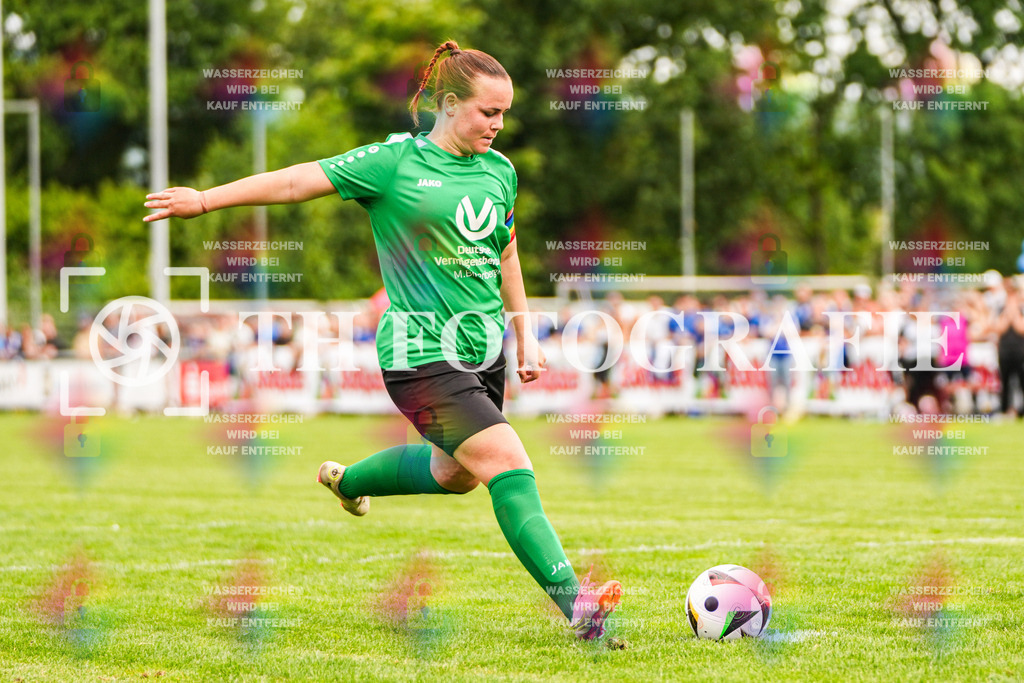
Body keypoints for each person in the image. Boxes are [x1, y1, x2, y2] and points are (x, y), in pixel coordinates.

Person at [143, 40, 622, 640]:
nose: (498, 125)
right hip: (418, 354)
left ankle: (348, 482)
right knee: (506, 463)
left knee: (457, 475)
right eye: (488, 112)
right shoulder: (392, 163)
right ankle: (578, 606)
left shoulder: (500, 172)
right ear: (450, 105)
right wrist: (206, 200)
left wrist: (525, 334)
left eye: (504, 114)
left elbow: (506, 251)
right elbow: (295, 183)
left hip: (484, 350)